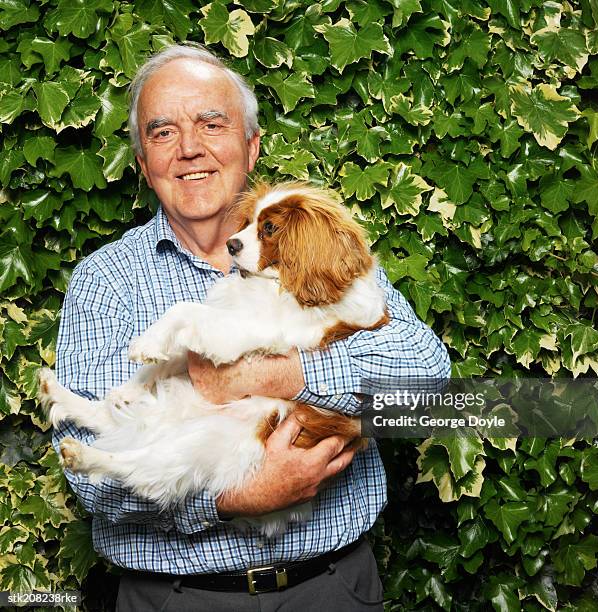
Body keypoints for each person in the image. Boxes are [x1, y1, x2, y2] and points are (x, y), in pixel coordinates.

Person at [53, 43, 450, 612]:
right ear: (143, 164)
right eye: (162, 133)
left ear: (251, 144)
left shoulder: (321, 254)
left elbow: (428, 383)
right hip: (180, 598)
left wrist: (275, 375)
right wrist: (235, 496)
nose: (189, 149)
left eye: (211, 123)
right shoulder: (106, 282)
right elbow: (91, 473)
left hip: (331, 587)